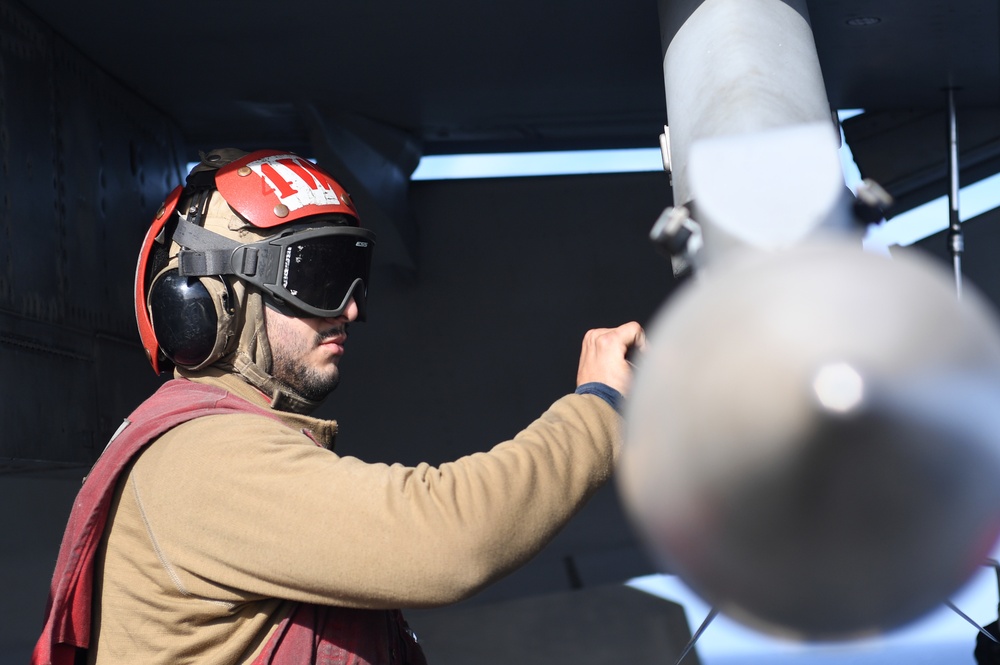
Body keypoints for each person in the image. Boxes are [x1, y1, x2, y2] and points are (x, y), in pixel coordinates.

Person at [32, 148, 645, 664]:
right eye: (321, 278)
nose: (350, 308)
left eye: (357, 275)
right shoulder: (199, 458)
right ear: (213, 300)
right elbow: (444, 539)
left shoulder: (224, 447)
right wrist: (597, 408)